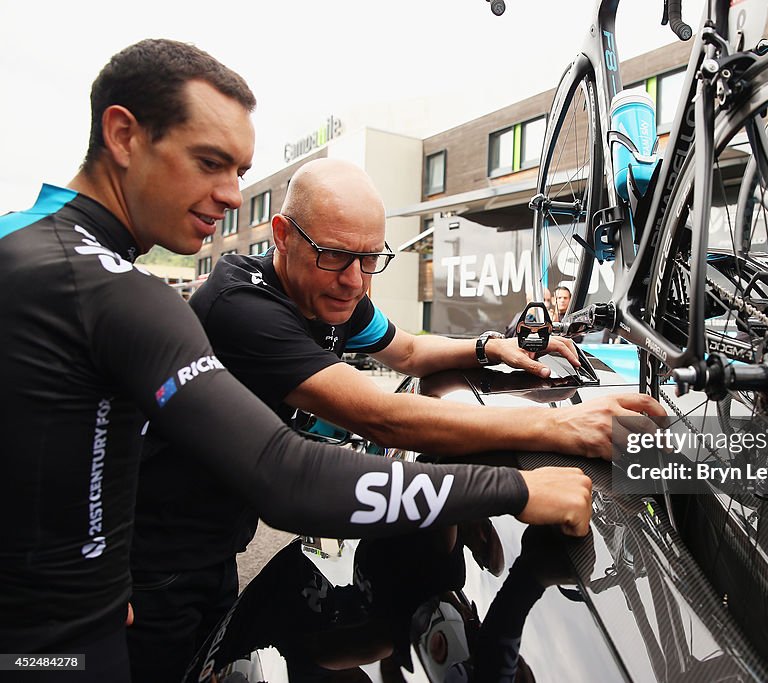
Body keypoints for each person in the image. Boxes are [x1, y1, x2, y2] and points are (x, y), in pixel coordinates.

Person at [0, 39, 596, 682]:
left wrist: (487, 346)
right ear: (122, 134)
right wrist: (522, 480)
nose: (232, 195)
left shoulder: (26, 244)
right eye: (210, 163)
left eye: (240, 170)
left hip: (112, 596)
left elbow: (411, 349)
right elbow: (288, 474)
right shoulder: (134, 295)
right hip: (81, 630)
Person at [128, 158, 665, 682]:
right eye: (337, 256)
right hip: (154, 566)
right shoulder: (243, 309)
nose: (355, 282)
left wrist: (488, 346)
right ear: (282, 236)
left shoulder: (328, 289)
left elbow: (407, 352)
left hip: (216, 546)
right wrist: (559, 428)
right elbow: (383, 418)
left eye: (370, 259)